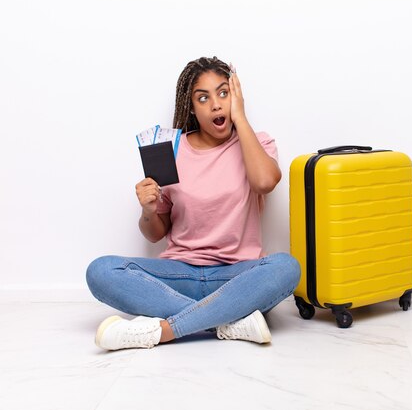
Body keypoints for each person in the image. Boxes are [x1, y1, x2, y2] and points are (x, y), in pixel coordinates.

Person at [86, 56, 301, 351]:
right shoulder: (170, 150)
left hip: (237, 275)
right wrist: (148, 211)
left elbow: (265, 182)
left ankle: (166, 330)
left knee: (286, 267)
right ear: (191, 107)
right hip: (179, 274)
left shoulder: (257, 143)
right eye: (204, 98)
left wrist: (240, 117)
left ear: (236, 96)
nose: (216, 104)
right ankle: (227, 320)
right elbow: (155, 233)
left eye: (223, 93)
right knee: (100, 271)